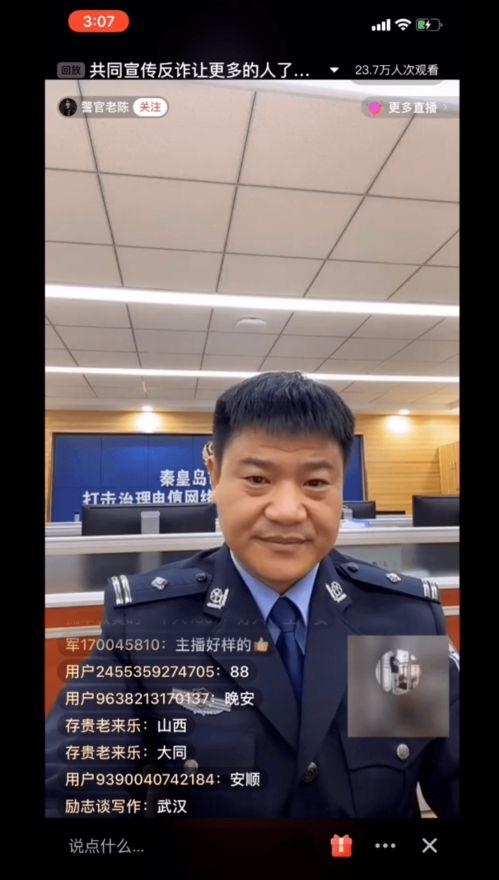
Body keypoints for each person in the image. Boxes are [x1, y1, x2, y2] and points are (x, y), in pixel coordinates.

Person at [45, 371, 459, 818]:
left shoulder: (398, 621)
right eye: (258, 479)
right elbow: (73, 786)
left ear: (342, 486)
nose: (287, 511)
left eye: (316, 483)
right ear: (215, 475)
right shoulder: (148, 627)